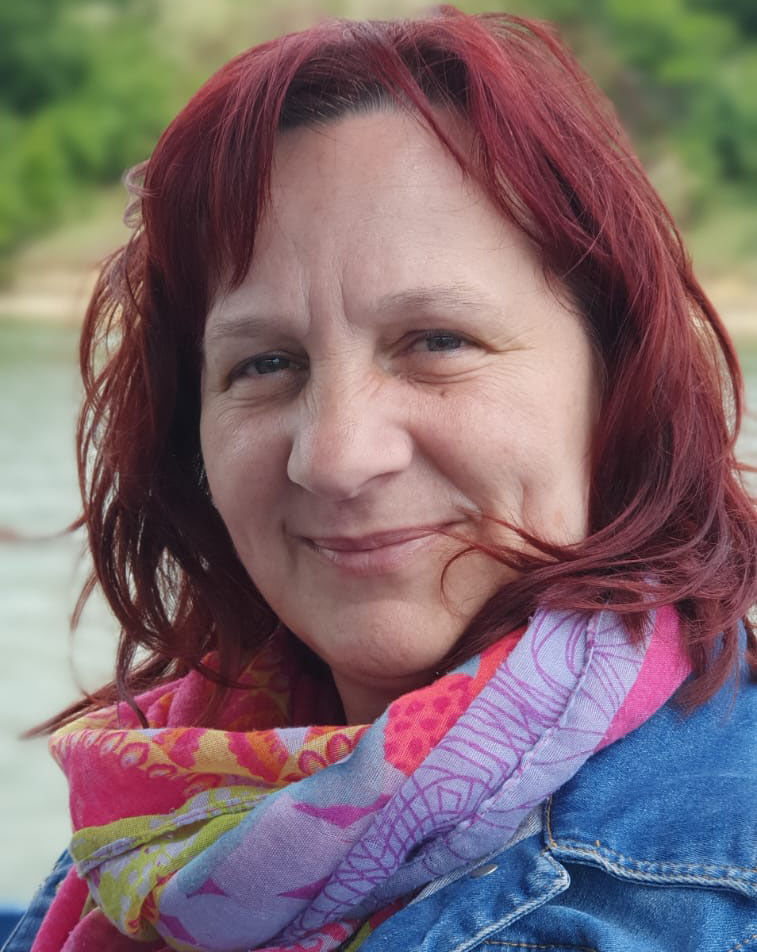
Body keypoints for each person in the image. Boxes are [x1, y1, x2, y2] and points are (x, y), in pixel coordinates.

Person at [5, 7, 756, 952]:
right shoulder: (155, 827)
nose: (334, 456)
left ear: (618, 380)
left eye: (436, 341)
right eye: (265, 363)